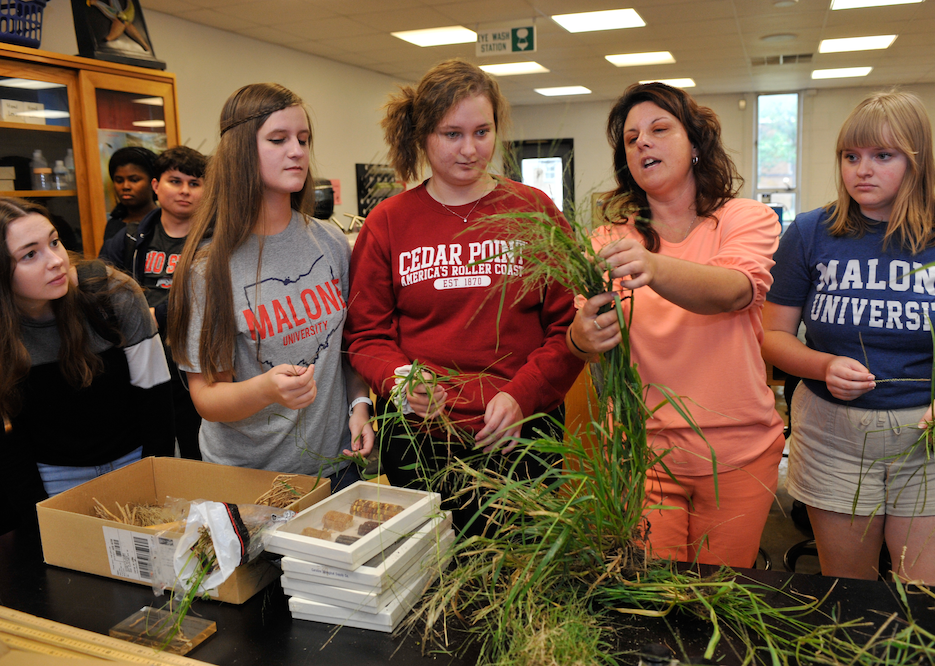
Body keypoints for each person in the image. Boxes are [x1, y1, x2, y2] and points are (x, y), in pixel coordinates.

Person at [762, 90, 935, 587]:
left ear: (917, 161)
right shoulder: (809, 232)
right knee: (850, 599)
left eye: (881, 156)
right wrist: (822, 366)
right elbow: (773, 337)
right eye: (851, 157)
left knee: (931, 605)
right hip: (834, 435)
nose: (861, 170)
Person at [344, 59, 584, 532]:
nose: (470, 150)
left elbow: (570, 330)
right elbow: (366, 335)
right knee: (430, 577)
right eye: (451, 134)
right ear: (422, 136)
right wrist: (400, 378)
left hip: (522, 434)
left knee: (519, 574)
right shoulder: (389, 222)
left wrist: (523, 395)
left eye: (482, 131)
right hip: (422, 440)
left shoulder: (532, 210)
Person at [566, 82, 785, 568]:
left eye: (660, 129)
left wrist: (653, 267)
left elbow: (732, 289)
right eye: (631, 138)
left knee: (720, 603)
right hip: (643, 455)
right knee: (652, 605)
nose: (643, 141)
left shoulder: (744, 218)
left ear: (696, 143)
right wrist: (581, 336)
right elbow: (582, 335)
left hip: (737, 455)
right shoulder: (609, 237)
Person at [168, 83, 373, 488]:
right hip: (252, 478)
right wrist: (266, 389)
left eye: (303, 139)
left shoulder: (330, 241)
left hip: (336, 465)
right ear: (242, 151)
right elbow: (206, 398)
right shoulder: (208, 269)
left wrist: (360, 404)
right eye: (278, 140)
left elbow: (347, 345)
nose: (297, 151)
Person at [0, 197, 174, 530]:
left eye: (54, 242)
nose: (56, 261)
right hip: (53, 476)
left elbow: (157, 405)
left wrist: (155, 485)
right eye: (30, 254)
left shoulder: (113, 294)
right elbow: (9, 445)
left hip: (135, 461)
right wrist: (40, 521)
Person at [100, 146, 208, 460]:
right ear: (156, 186)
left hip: (196, 370)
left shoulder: (217, 241)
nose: (185, 191)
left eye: (195, 183)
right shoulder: (130, 240)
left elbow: (217, 300)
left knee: (195, 454)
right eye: (175, 181)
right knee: (153, 455)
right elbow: (99, 294)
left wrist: (159, 314)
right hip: (143, 366)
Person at [101, 147, 158, 246]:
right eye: (119, 181)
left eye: (134, 180)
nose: (125, 186)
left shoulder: (162, 222)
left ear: (153, 183)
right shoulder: (114, 225)